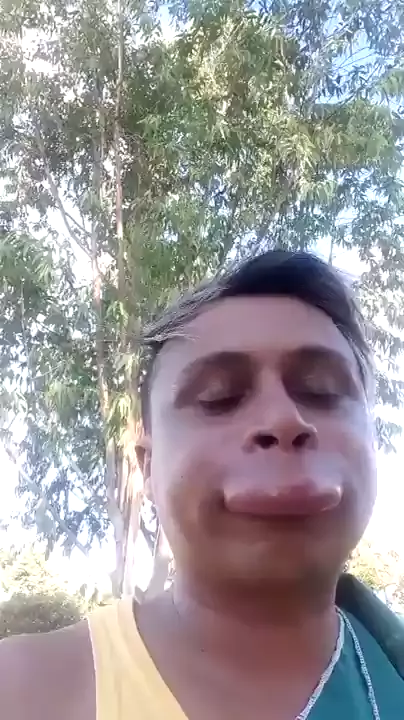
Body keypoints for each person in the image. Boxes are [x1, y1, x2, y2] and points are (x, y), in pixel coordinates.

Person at [2, 249, 404, 720]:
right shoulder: (25, 690)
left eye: (321, 391)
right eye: (219, 397)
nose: (284, 419)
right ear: (147, 466)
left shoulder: (389, 667)